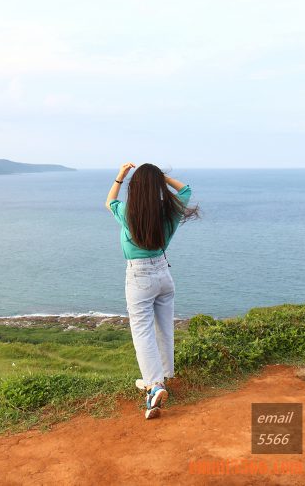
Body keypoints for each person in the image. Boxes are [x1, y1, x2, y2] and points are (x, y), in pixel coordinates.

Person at [105, 162, 199, 419]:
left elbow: (109, 202)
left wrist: (120, 176)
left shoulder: (127, 212)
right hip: (163, 274)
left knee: (142, 332)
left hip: (140, 276)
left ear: (135, 188)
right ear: (157, 186)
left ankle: (154, 386)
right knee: (163, 327)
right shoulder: (169, 211)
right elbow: (186, 190)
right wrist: (162, 178)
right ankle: (164, 376)